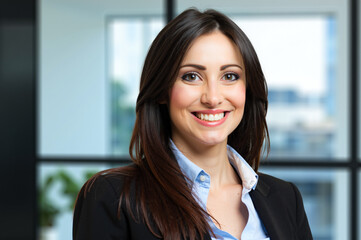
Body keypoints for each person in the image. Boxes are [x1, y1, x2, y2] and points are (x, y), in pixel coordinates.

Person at [73, 8, 313, 240]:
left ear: (247, 90)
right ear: (161, 91)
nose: (212, 97)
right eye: (191, 76)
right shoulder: (113, 197)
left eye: (229, 76)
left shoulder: (285, 198)